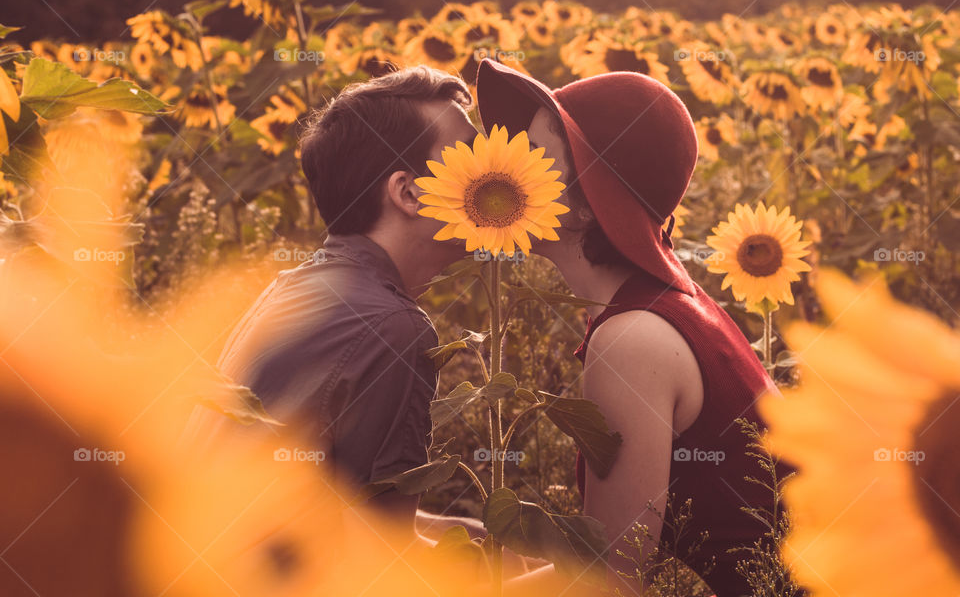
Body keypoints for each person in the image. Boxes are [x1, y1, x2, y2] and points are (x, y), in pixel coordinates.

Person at [474, 58, 793, 597]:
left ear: (582, 207)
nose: (504, 169)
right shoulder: (665, 305)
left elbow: (610, 580)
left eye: (532, 156)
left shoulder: (632, 341)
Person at [180, 66, 485, 545]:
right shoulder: (393, 328)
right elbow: (378, 562)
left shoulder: (298, 286)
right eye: (470, 157)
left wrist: (439, 532)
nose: (492, 172)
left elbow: (324, 496)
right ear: (408, 193)